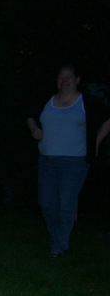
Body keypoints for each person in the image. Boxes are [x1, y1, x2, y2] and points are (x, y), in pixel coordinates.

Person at [26, 64, 110, 257]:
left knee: (66, 205)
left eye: (68, 77)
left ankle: (59, 245)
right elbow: (31, 117)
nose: (64, 81)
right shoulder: (47, 100)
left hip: (74, 161)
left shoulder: (87, 102)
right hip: (47, 159)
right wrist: (34, 129)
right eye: (60, 77)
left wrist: (96, 141)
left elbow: (107, 119)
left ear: (77, 80)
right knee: (47, 204)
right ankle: (58, 238)